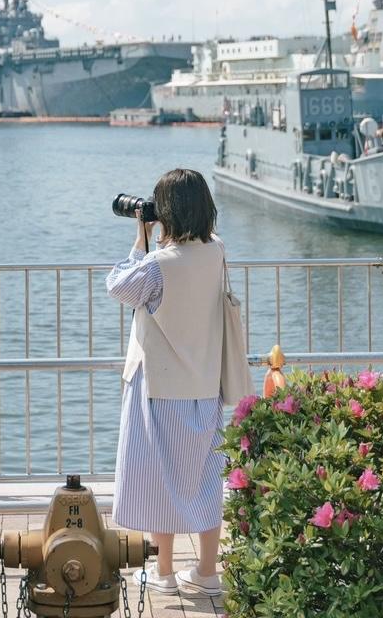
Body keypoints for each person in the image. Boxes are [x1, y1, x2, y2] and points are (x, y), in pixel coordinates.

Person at [106, 168, 226, 597]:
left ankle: (164, 573)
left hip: (159, 387)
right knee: (205, 476)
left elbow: (119, 286)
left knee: (162, 477)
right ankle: (208, 572)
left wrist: (141, 237)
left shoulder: (159, 265)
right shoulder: (216, 252)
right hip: (206, 382)